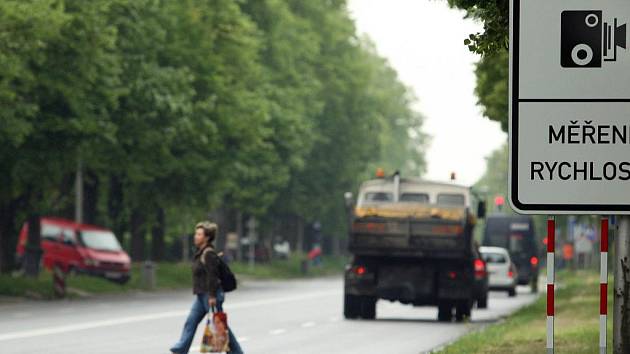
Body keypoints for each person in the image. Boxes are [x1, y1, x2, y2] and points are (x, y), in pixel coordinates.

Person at [170, 221, 244, 354]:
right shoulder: (202, 252)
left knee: (219, 326)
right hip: (201, 295)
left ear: (207, 237)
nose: (195, 237)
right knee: (191, 322)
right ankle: (181, 348)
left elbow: (212, 276)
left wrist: (212, 295)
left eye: (199, 234)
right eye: (196, 234)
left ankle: (237, 351)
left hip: (210, 295)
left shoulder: (208, 253)